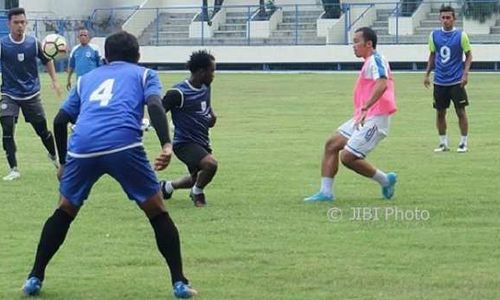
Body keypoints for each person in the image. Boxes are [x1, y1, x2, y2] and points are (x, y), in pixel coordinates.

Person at [21, 31, 197, 299]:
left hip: (82, 147)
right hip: (124, 145)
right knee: (157, 211)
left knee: (64, 211)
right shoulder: (144, 74)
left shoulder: (88, 79)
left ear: (105, 58)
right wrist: (166, 145)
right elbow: (155, 106)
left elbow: (59, 120)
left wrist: (64, 163)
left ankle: (34, 277)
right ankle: (179, 283)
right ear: (138, 57)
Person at [304, 27, 397, 202]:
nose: (353, 45)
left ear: (368, 44)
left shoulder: (376, 60)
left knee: (347, 157)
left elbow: (382, 83)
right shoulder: (369, 61)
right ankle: (326, 193)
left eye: (356, 41)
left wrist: (365, 108)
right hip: (364, 116)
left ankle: (385, 180)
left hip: (376, 118)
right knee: (332, 144)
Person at [0, 7, 61, 181]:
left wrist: (55, 81)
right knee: (7, 128)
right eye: (16, 22)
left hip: (31, 94)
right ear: (9, 24)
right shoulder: (2, 45)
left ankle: (53, 156)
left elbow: (47, 60)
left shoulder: (34, 43)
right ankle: (14, 169)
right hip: (9, 94)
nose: (20, 26)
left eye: (23, 22)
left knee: (43, 131)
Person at [159, 50, 218, 208]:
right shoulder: (178, 92)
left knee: (196, 177)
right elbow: (158, 111)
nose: (213, 75)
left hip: (202, 141)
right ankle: (197, 193)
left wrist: (211, 116)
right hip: (184, 143)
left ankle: (166, 187)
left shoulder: (206, 87)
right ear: (201, 71)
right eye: (212, 71)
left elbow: (206, 106)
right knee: (210, 165)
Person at [424, 5, 472, 153]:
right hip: (440, 81)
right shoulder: (434, 36)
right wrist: (426, 74)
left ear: (454, 19)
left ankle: (463, 142)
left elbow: (469, 55)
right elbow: (432, 55)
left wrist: (465, 74)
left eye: (448, 17)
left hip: (456, 80)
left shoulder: (461, 36)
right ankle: (443, 143)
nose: (446, 20)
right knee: (440, 113)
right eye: (443, 18)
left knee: (460, 111)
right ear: (440, 19)